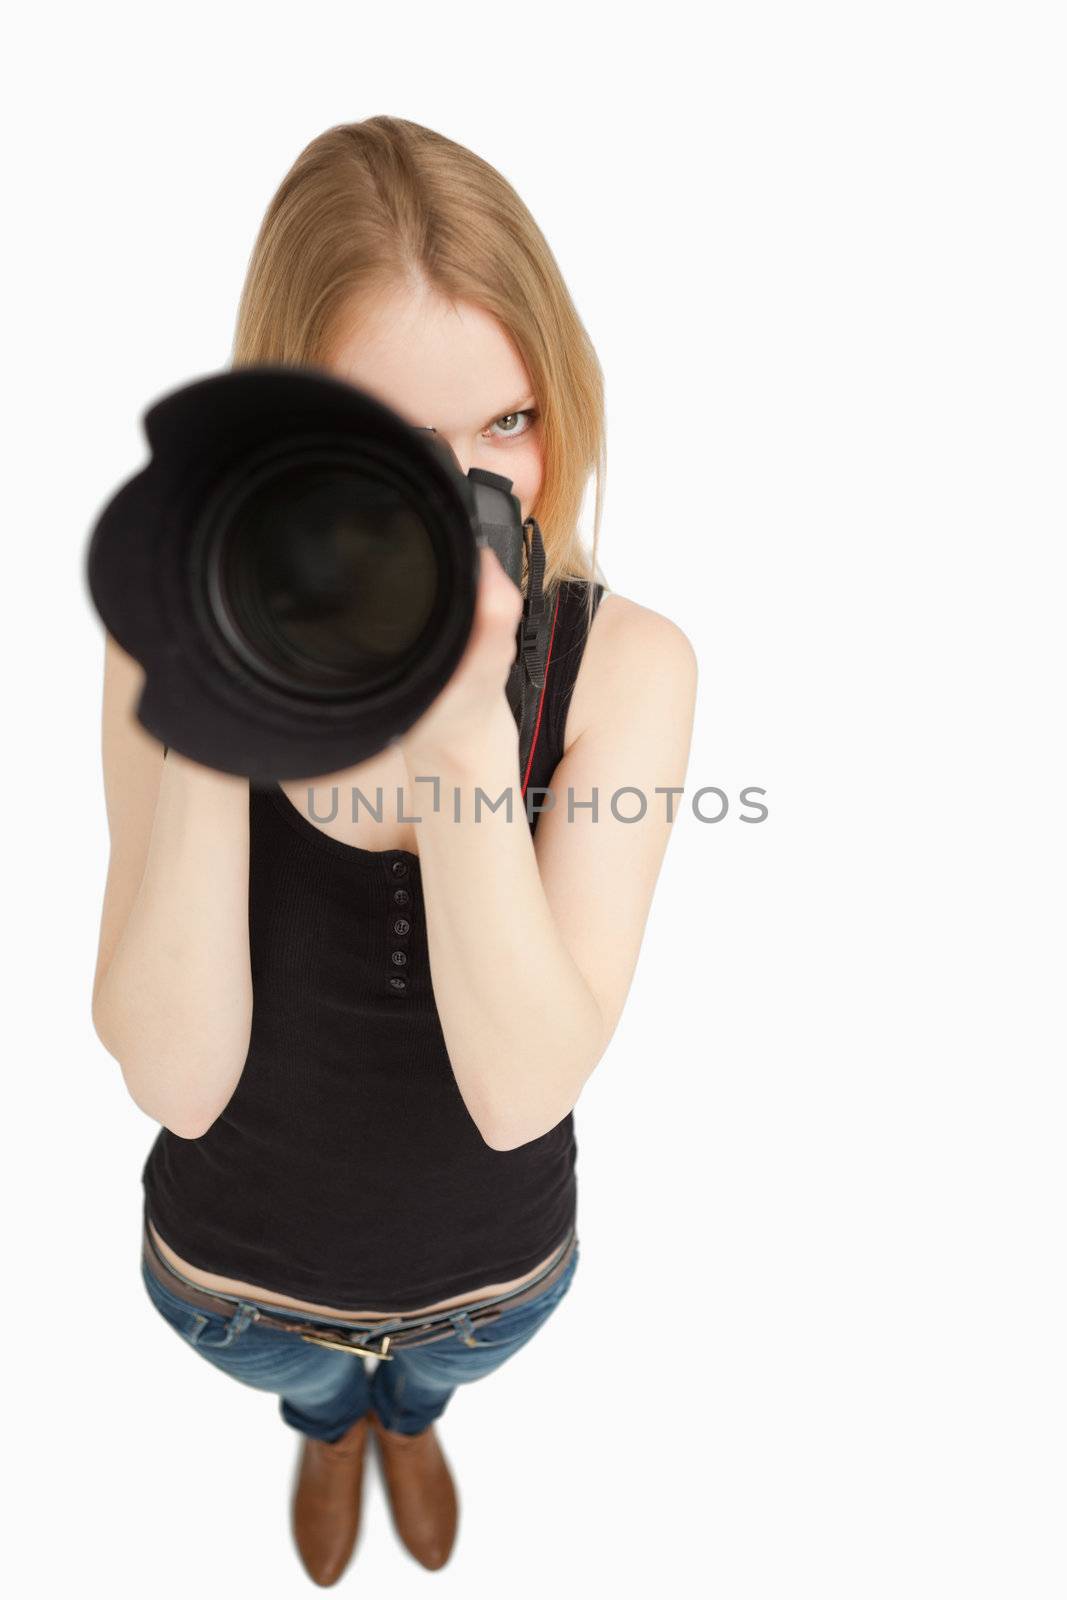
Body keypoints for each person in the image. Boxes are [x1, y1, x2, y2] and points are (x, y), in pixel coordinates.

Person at [91, 115, 698, 1585]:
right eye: (387, 452)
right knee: (314, 1389)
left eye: (508, 425)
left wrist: (473, 752)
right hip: (236, 1291)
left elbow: (522, 1093)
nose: (471, 504)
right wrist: (225, 679)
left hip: (491, 1287)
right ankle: (332, 1431)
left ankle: (407, 1423)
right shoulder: (174, 640)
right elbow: (170, 1076)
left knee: (429, 1381)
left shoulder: (627, 672)